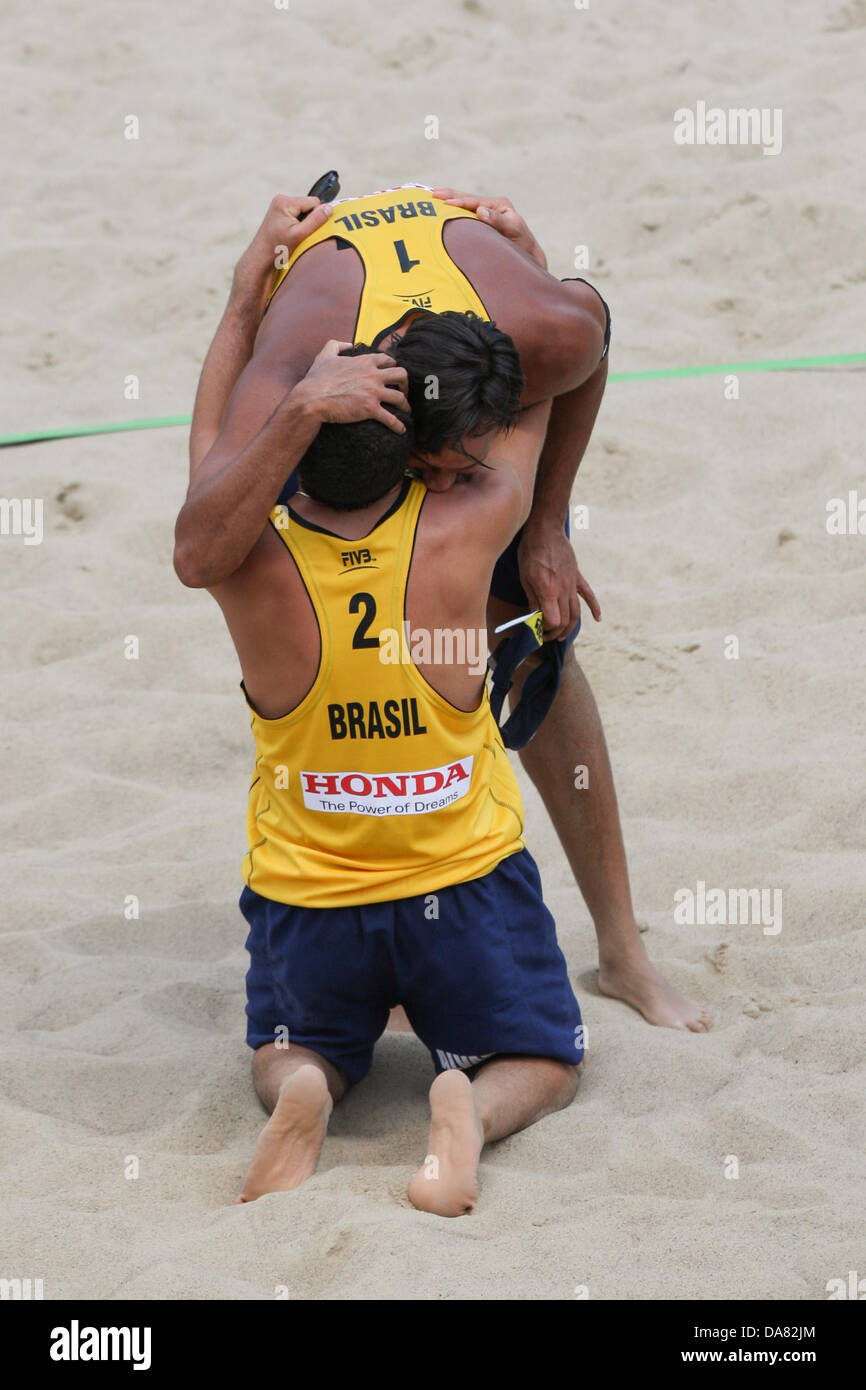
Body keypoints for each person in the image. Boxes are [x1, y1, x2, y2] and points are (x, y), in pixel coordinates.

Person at [183, 184, 711, 1032]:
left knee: (535, 643)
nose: (442, 493)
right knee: (298, 630)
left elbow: (595, 336)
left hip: (481, 322)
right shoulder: (291, 376)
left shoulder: (548, 341)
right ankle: (373, 923)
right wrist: (247, 289)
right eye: (433, 473)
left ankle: (623, 952)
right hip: (327, 381)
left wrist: (544, 527)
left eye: (466, 478)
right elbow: (197, 548)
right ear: (397, 440)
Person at [175, 322, 584, 1216]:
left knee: (285, 1050)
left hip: (310, 897)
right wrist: (521, 260)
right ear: (419, 455)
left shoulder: (248, 561)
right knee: (547, 1059)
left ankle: (304, 1093)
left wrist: (255, 298)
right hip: (462, 885)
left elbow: (214, 457)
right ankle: (467, 1110)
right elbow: (550, 368)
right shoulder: (470, 518)